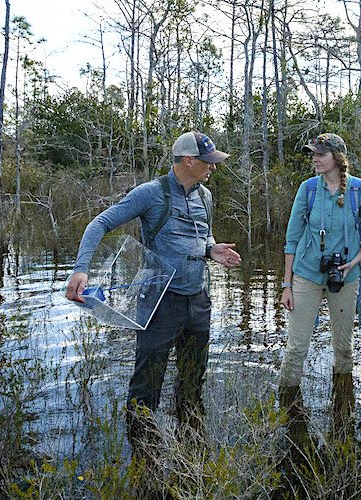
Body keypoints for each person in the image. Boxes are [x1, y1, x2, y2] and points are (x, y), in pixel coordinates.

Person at [65, 131, 242, 455]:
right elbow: (100, 223)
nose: (213, 168)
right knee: (146, 389)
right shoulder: (150, 194)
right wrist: (81, 268)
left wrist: (212, 250)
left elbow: (202, 237)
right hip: (160, 304)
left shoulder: (206, 197)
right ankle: (143, 461)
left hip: (198, 302)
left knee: (192, 384)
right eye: (208, 162)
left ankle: (191, 457)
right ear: (188, 160)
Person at [278, 133, 361, 402]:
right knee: (296, 348)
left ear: (337, 158)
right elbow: (292, 239)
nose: (315, 159)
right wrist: (287, 285)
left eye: (321, 154)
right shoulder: (308, 189)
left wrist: (353, 264)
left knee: (343, 348)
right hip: (306, 274)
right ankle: (287, 409)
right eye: (313, 154)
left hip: (346, 278)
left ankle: (343, 410)